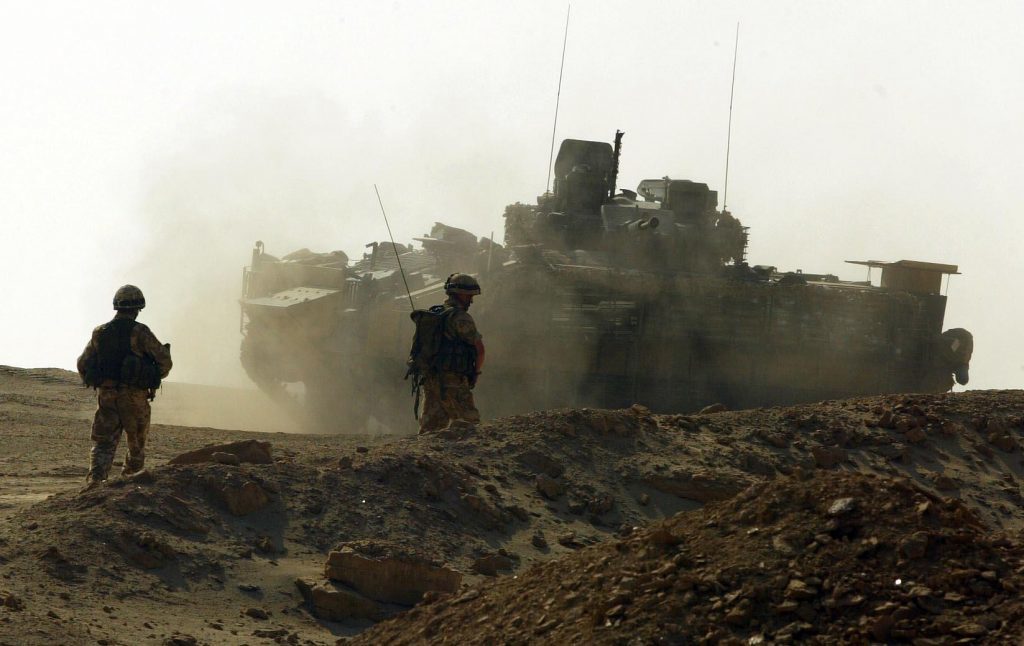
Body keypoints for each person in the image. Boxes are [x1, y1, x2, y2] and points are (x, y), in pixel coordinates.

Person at [77, 285, 172, 485]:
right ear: (138, 308)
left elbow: (83, 364)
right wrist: (149, 377)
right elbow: (164, 362)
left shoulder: (99, 333)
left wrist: (103, 384)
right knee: (136, 443)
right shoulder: (140, 332)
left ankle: (95, 483)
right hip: (134, 397)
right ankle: (129, 486)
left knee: (103, 443)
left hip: (107, 395)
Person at [418, 273, 485, 433]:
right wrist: (475, 372)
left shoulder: (435, 313)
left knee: (431, 427)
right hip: (452, 379)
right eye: (468, 296)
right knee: (470, 424)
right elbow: (479, 349)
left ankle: (423, 456)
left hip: (431, 377)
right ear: (459, 294)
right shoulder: (461, 318)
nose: (471, 300)